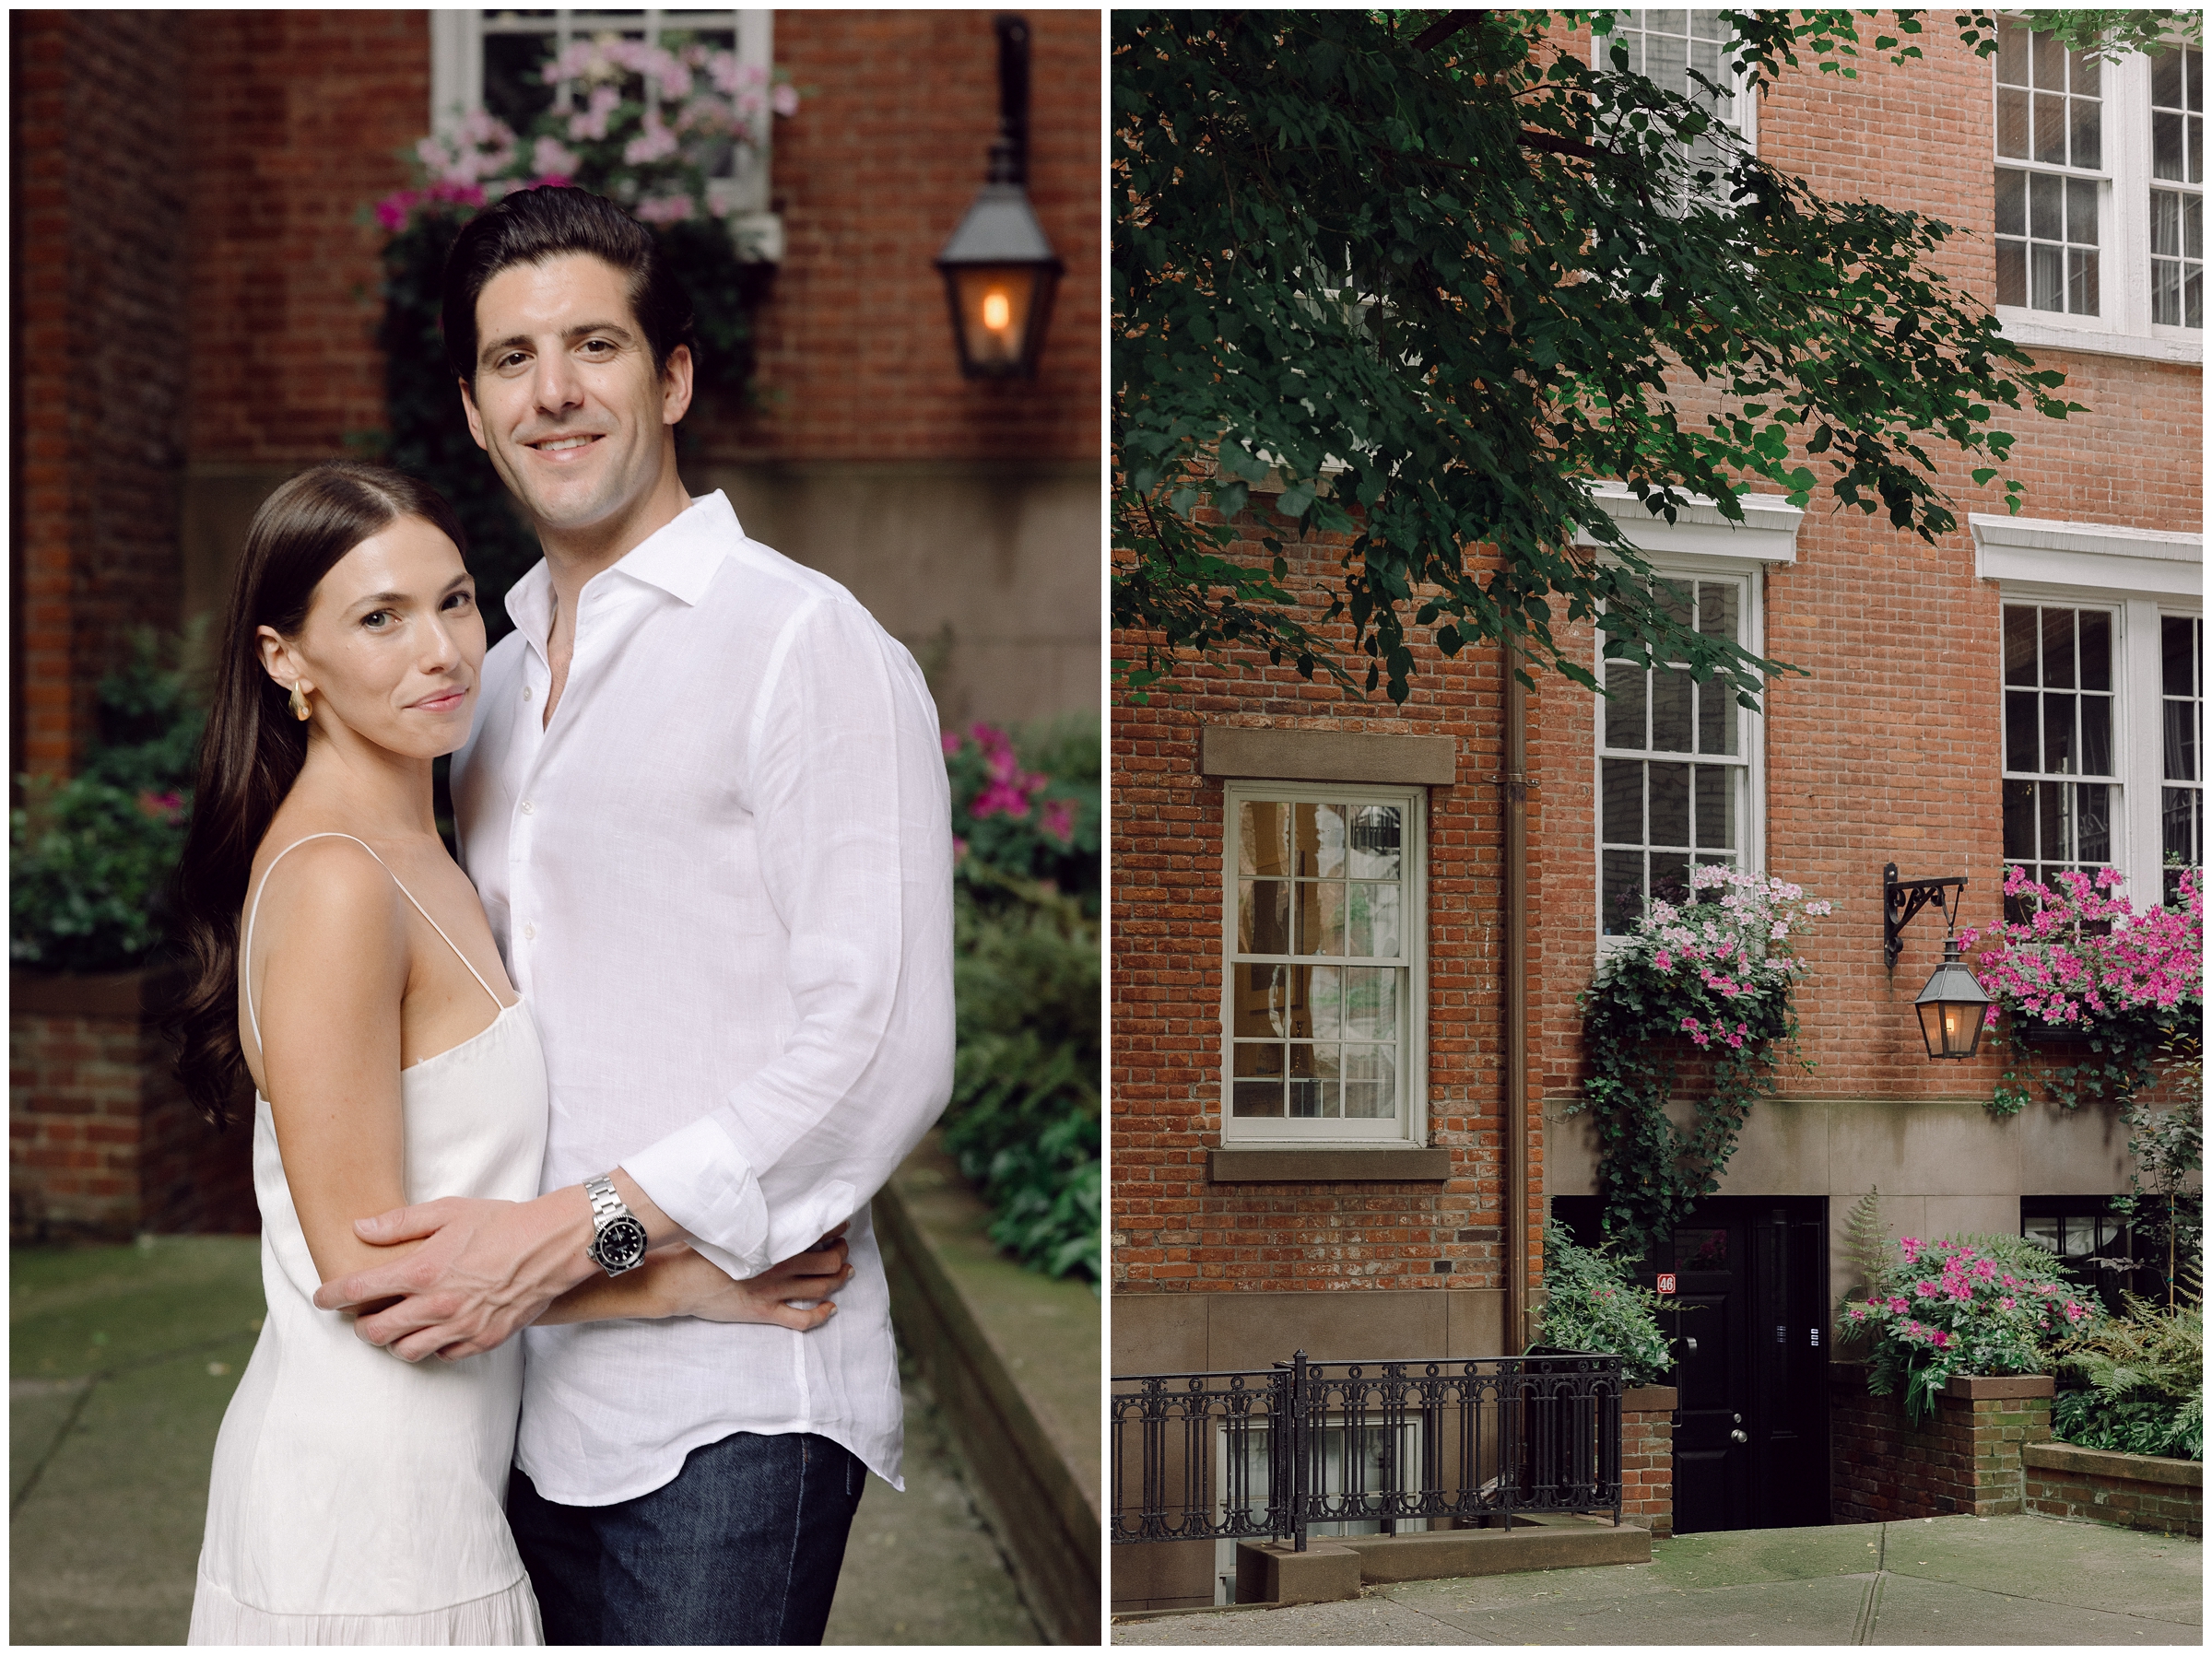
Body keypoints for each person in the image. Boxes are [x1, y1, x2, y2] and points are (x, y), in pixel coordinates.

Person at [310, 186, 956, 1644]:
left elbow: (879, 1050)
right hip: (520, 1396)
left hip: (737, 1412)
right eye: (510, 360)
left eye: (593, 345)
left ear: (671, 375)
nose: (553, 393)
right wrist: (581, 1273)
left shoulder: (805, 645)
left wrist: (579, 1232)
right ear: (473, 413)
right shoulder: (472, 680)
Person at [170, 461, 855, 1645]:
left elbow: (477, 1202)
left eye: (454, 600)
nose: (439, 650)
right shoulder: (336, 880)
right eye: (379, 618)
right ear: (286, 659)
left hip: (453, 1481)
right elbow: (383, 1280)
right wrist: (693, 1278)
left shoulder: (424, 839)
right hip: (369, 1517)